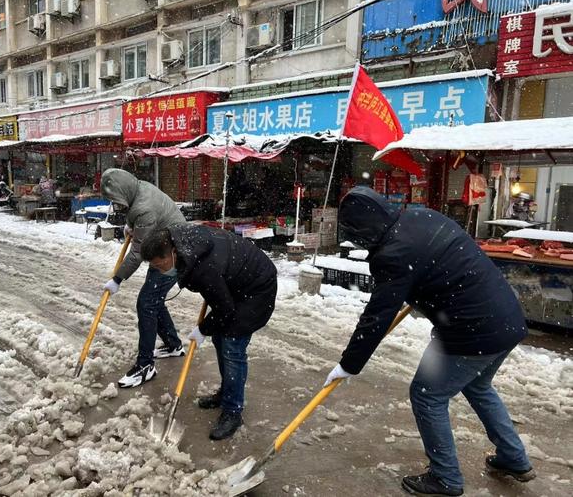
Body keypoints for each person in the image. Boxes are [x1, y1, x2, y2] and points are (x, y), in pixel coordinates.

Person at [324, 187, 534, 496]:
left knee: (427, 395)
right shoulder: (421, 216)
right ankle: (514, 458)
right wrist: (426, 292)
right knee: (478, 386)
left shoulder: (392, 255)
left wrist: (348, 364)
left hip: (472, 330)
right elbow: (444, 260)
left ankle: (446, 477)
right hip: (506, 319)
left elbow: (376, 317)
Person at [140, 225, 277, 440]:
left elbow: (225, 308)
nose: (160, 271)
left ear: (173, 253)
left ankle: (233, 412)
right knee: (220, 339)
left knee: (232, 345)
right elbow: (219, 296)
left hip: (256, 288)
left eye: (160, 265)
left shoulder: (204, 267)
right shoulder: (183, 242)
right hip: (235, 282)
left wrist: (203, 329)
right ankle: (226, 392)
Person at [100, 168, 187, 388]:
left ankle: (145, 365)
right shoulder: (138, 190)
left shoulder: (144, 207)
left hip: (174, 254)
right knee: (153, 299)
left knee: (147, 302)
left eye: (116, 200)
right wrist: (133, 225)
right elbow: (140, 221)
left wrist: (118, 279)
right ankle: (173, 344)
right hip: (163, 246)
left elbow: (138, 251)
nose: (117, 205)